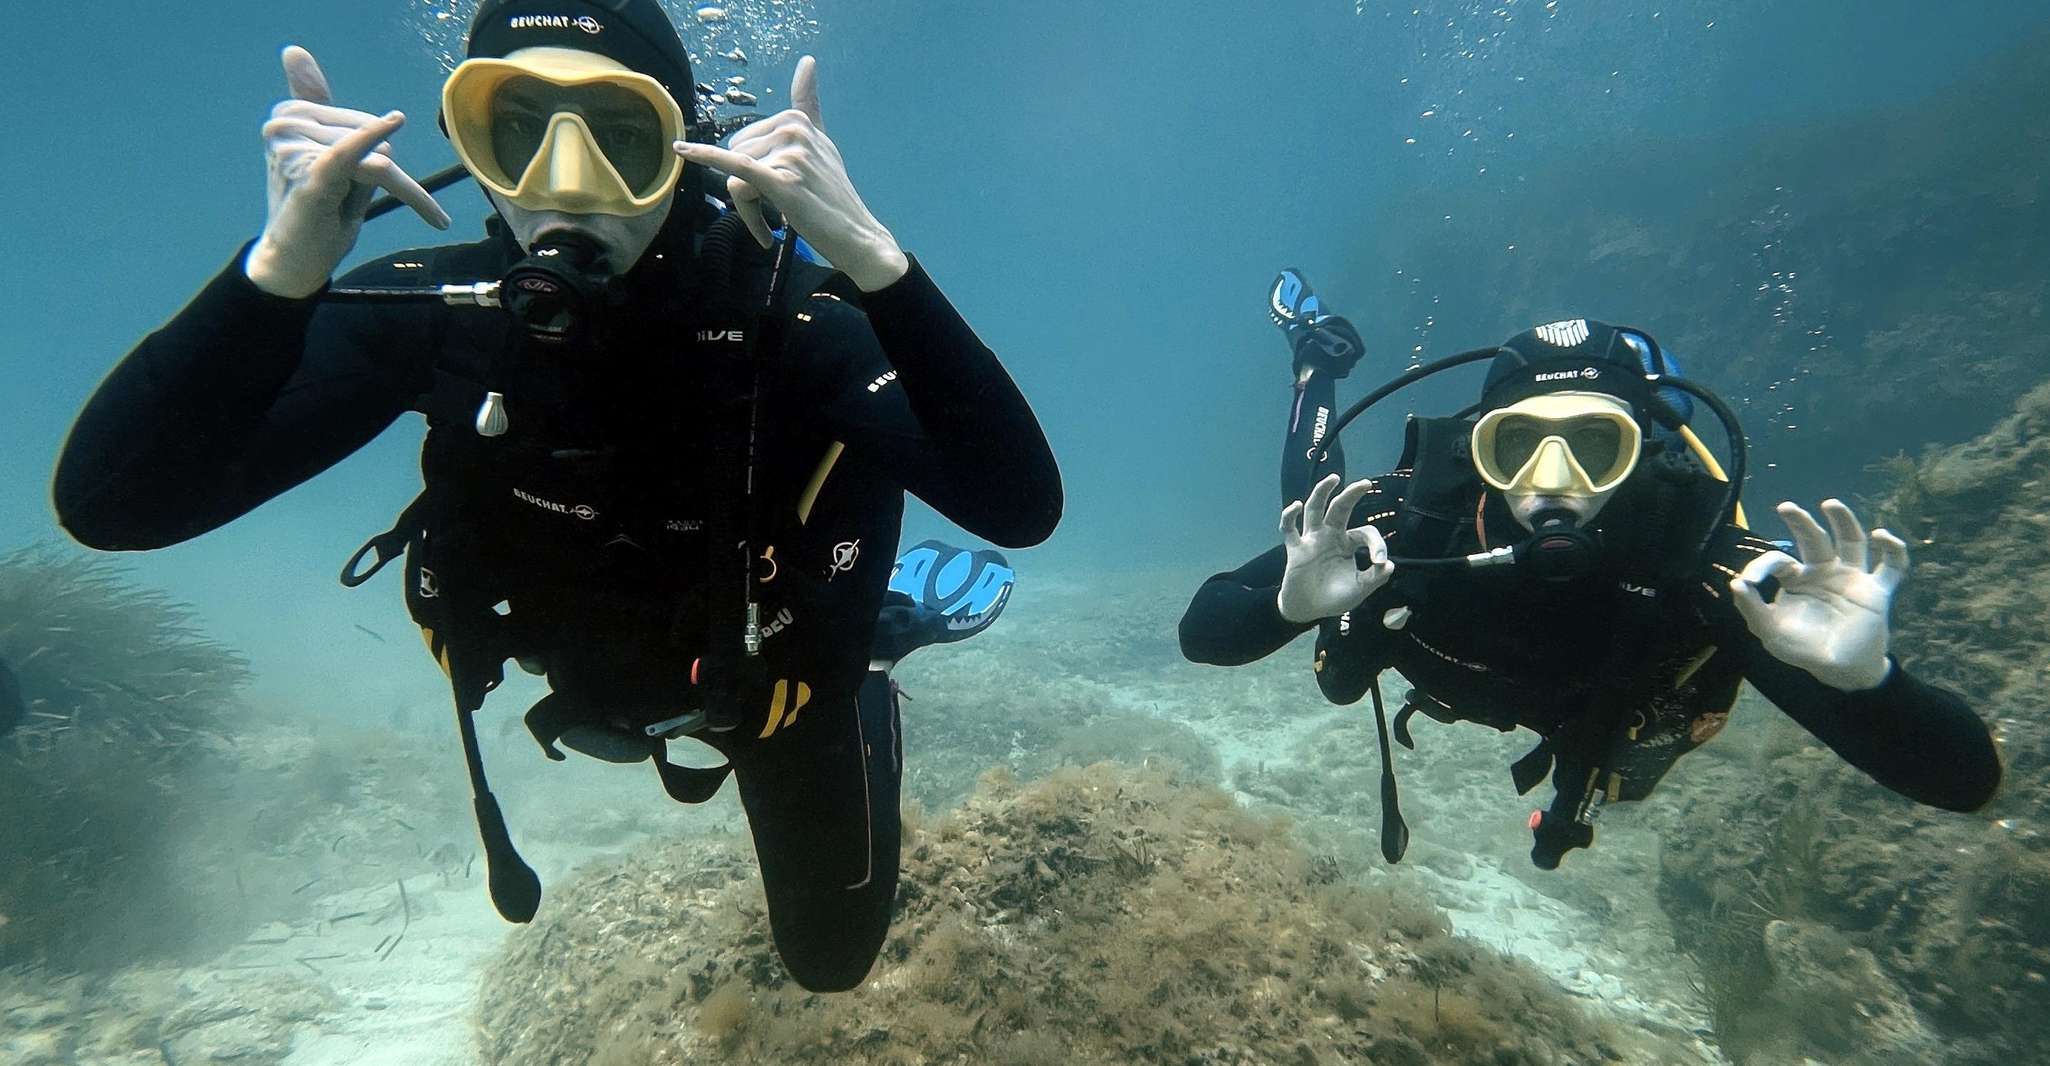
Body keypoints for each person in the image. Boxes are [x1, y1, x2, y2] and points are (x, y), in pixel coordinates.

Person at [52, 0, 1060, 992]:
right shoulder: (444, 313)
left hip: (775, 683)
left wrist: (876, 264)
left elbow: (1017, 503)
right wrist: (278, 274)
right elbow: (114, 505)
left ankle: (877, 640)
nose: (566, 191)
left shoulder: (787, 316)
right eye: (518, 133)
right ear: (467, 142)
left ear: (684, 146)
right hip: (584, 667)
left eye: (621, 136)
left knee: (830, 965)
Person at [1181, 274, 1999, 869]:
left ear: (1640, 452)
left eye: (1595, 444)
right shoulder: (1407, 526)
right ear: (1480, 446)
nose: (1550, 478)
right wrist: (1289, 610)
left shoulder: (1709, 571)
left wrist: (1866, 681)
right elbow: (1202, 632)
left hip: (1596, 715)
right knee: (1314, 505)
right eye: (1517, 444)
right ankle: (1314, 363)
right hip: (1447, 624)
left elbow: (1963, 781)